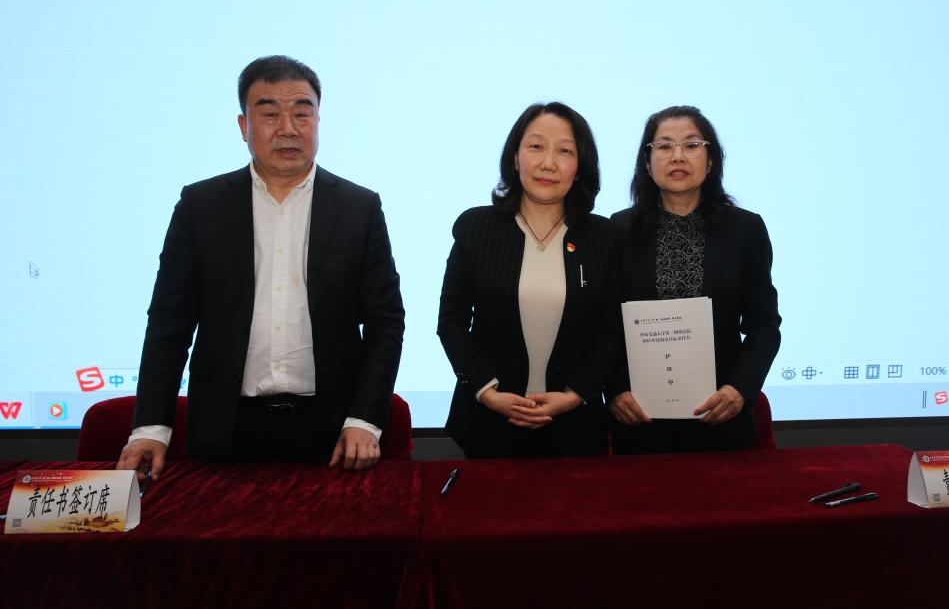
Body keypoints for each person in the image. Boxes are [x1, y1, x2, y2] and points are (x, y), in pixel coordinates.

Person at [117, 56, 404, 477]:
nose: (288, 128)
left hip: (332, 430)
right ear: (244, 126)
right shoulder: (201, 206)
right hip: (226, 427)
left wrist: (363, 420)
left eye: (302, 113)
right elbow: (169, 323)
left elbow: (385, 322)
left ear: (318, 120)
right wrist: (151, 428)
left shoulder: (359, 208)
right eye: (270, 114)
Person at [438, 102, 623, 458]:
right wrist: (487, 392)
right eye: (536, 146)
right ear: (514, 157)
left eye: (565, 151)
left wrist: (574, 395)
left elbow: (612, 330)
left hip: (576, 428)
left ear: (580, 167)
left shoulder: (604, 237)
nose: (548, 163)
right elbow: (452, 322)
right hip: (488, 422)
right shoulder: (476, 228)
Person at [607, 106, 780, 453]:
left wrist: (739, 389)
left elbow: (764, 325)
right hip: (640, 419)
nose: (678, 156)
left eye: (691, 145)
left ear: (711, 160)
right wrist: (614, 390)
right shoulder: (618, 229)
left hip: (721, 417)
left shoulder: (745, 229)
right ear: (647, 162)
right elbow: (604, 324)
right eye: (664, 146)